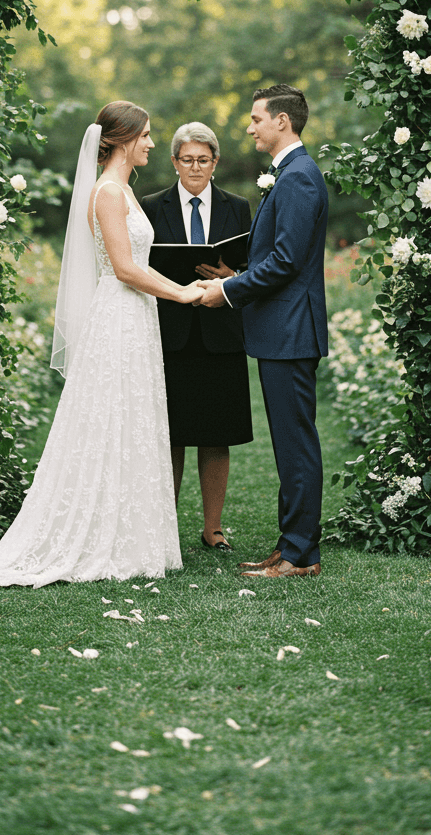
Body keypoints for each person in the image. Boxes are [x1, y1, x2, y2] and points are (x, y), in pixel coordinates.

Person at [0, 101, 203, 588]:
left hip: (137, 317)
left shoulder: (123, 190)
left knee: (132, 418)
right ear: (123, 139)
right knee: (111, 419)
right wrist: (183, 293)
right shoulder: (107, 192)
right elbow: (126, 269)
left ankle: (133, 534)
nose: (151, 143)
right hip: (118, 316)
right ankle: (97, 535)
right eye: (146, 135)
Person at [198, 84, 328, 579]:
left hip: (291, 330)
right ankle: (291, 545)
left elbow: (287, 262)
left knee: (296, 444)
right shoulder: (289, 174)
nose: (250, 127)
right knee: (289, 444)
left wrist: (228, 293)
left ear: (282, 122)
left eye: (256, 118)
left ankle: (300, 554)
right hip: (283, 330)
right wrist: (234, 275)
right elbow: (276, 256)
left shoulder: (298, 178)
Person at [140, 122, 252, 553]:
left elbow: (249, 265)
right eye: (187, 159)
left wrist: (231, 277)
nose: (195, 167)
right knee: (169, 434)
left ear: (215, 162)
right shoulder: (151, 206)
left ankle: (213, 527)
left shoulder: (237, 206)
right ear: (173, 162)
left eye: (203, 160)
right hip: (169, 332)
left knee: (216, 433)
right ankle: (164, 526)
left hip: (220, 332)